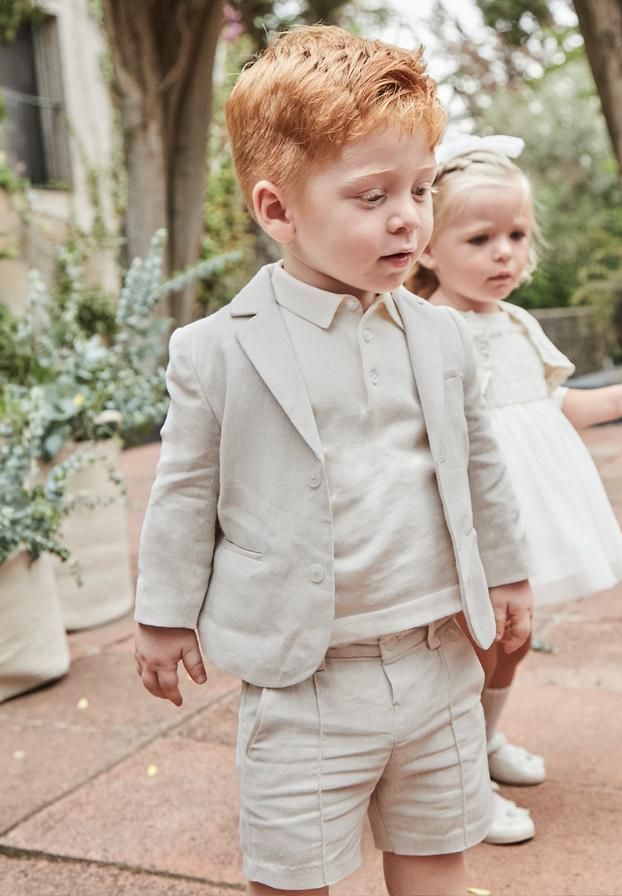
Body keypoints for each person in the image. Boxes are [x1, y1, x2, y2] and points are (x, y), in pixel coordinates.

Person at [134, 30, 535, 896]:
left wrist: (507, 573)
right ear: (278, 210)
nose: (409, 217)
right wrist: (163, 614)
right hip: (307, 676)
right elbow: (183, 491)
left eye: (422, 189)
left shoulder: (441, 335)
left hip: (436, 657)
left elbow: (480, 467)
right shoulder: (218, 350)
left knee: (437, 856)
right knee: (292, 874)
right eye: (372, 195)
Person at [406, 133, 622, 846]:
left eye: (515, 235)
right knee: (474, 642)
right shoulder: (424, 329)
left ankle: (483, 739)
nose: (504, 253)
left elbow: (547, 403)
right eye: (479, 238)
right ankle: (455, 780)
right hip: (471, 514)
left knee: (512, 639)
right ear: (426, 249)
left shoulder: (513, 322)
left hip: (531, 512)